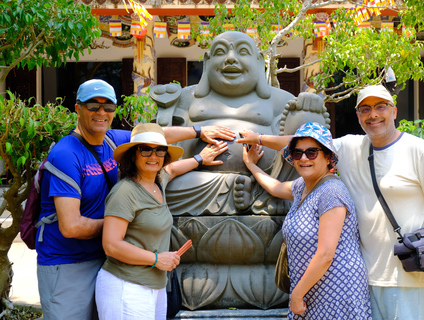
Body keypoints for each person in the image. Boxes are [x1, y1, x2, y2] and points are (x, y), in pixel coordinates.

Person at [236, 85, 424, 320]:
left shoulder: (418, 151)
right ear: (358, 116)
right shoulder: (351, 147)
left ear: (394, 111)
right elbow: (303, 144)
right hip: (360, 278)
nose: (373, 114)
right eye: (365, 109)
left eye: (381, 107)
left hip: (405, 278)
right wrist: (258, 140)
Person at [35, 79, 235, 320]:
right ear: (78, 108)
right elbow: (71, 226)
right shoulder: (67, 154)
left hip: (110, 259)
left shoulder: (111, 139)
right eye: (93, 106)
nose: (102, 113)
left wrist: (199, 133)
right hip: (68, 263)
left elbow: (155, 139)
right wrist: (124, 224)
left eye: (108, 107)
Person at [149, 31, 329, 216]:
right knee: (164, 188)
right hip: (200, 182)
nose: (230, 59)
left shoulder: (280, 99)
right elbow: (157, 137)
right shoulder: (187, 96)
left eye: (242, 52)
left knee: (302, 117)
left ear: (259, 61)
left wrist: (264, 137)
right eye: (220, 52)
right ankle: (239, 190)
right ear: (207, 61)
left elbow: (305, 140)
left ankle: (257, 192)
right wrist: (198, 132)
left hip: (269, 179)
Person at [95, 123, 227, 319]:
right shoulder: (125, 191)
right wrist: (156, 259)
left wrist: (200, 159)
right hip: (126, 286)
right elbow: (111, 245)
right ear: (133, 154)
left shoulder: (157, 181)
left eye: (160, 150)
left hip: (155, 287)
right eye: (146, 150)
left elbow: (172, 170)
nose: (153, 156)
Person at [242, 122, 371, 319]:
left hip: (336, 291)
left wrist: (297, 294)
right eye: (297, 153)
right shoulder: (303, 186)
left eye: (312, 152)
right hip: (312, 289)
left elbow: (326, 254)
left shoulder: (331, 192)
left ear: (328, 156)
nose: (303, 158)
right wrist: (250, 164)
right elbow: (276, 188)